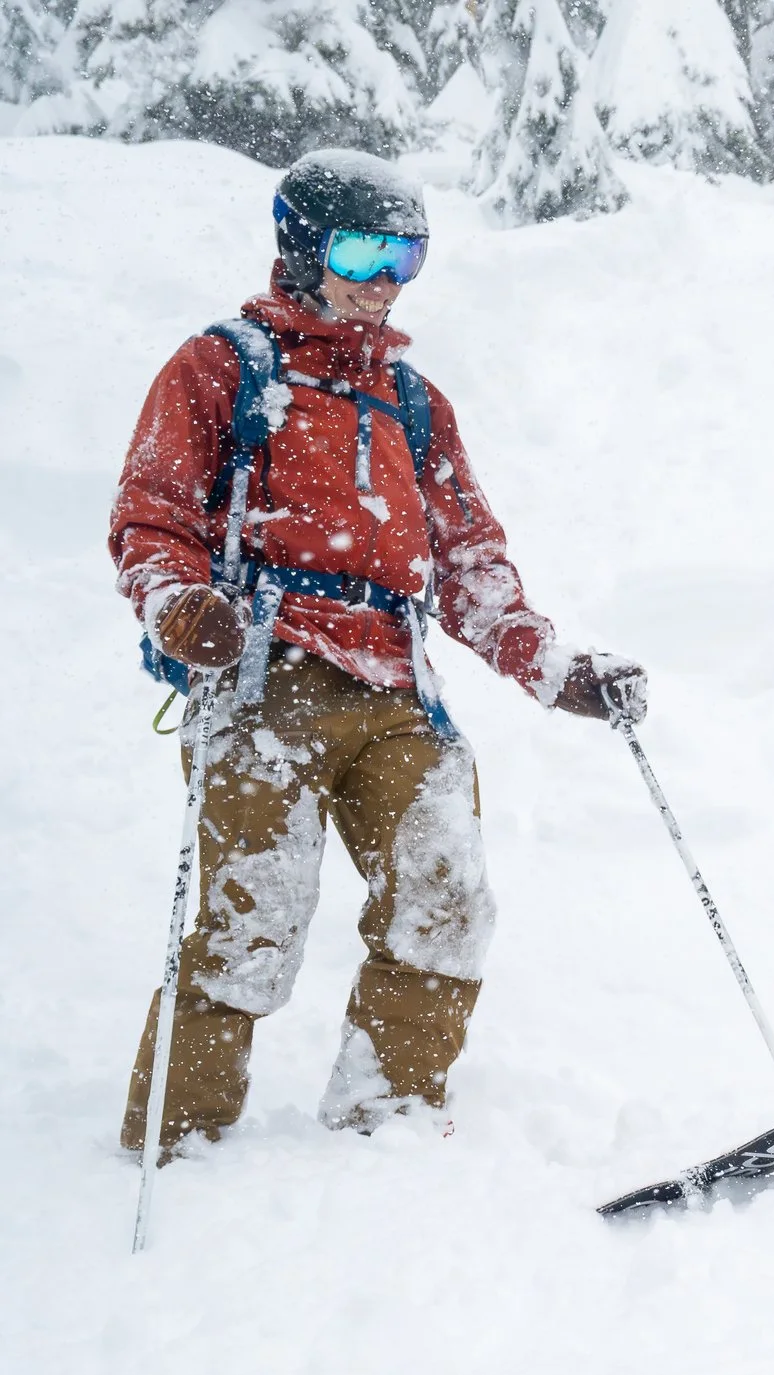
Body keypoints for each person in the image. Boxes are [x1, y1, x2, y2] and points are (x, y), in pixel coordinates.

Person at [112, 149, 647, 1154]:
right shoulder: (225, 367)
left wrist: (555, 668)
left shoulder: (412, 400)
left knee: (448, 897)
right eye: (363, 249)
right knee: (251, 924)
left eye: (407, 255)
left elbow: (473, 563)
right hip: (264, 677)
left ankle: (387, 1111)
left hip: (398, 689)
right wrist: (181, 606)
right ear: (304, 247)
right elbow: (151, 518)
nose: (384, 277)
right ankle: (175, 1136)